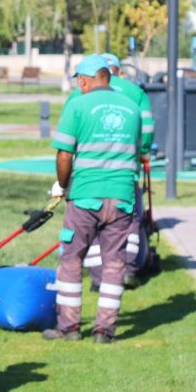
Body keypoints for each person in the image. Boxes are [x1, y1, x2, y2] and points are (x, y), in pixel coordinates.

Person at [44, 55, 142, 344]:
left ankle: (69, 328)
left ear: (84, 79)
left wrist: (62, 185)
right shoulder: (132, 108)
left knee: (72, 259)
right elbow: (139, 149)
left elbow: (64, 154)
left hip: (86, 195)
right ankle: (105, 331)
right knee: (114, 264)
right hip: (123, 196)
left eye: (79, 81)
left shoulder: (77, 104)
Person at [67, 53, 155, 288]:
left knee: (89, 230)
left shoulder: (79, 95)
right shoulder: (135, 93)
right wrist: (141, 152)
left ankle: (97, 277)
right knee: (130, 222)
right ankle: (130, 268)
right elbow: (146, 130)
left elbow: (69, 139)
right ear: (117, 70)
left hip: (87, 178)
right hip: (124, 174)